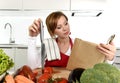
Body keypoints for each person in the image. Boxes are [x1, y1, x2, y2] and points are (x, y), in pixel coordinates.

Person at [27, 11, 116, 69]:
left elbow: (95, 67)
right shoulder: (48, 45)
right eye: (59, 27)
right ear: (53, 32)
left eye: (66, 23)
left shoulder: (78, 45)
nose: (65, 29)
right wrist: (32, 38)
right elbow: (32, 66)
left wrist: (110, 59)